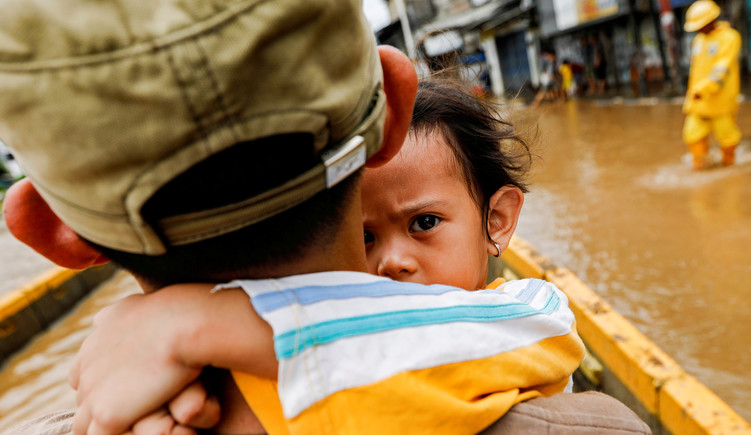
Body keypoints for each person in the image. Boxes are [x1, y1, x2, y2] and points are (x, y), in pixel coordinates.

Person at [0, 1, 650, 433]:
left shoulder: (112, 406)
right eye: (371, 234)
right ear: (394, 109)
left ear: (51, 229)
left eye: (424, 222)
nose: (392, 262)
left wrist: (199, 324)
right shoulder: (592, 425)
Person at [681, 0, 743, 170]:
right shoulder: (698, 41)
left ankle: (729, 167)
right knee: (692, 135)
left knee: (727, 137)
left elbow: (721, 68)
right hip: (698, 101)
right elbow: (696, 71)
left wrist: (705, 88)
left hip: (720, 101)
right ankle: (701, 169)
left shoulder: (730, 37)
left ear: (711, 20)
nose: (698, 29)